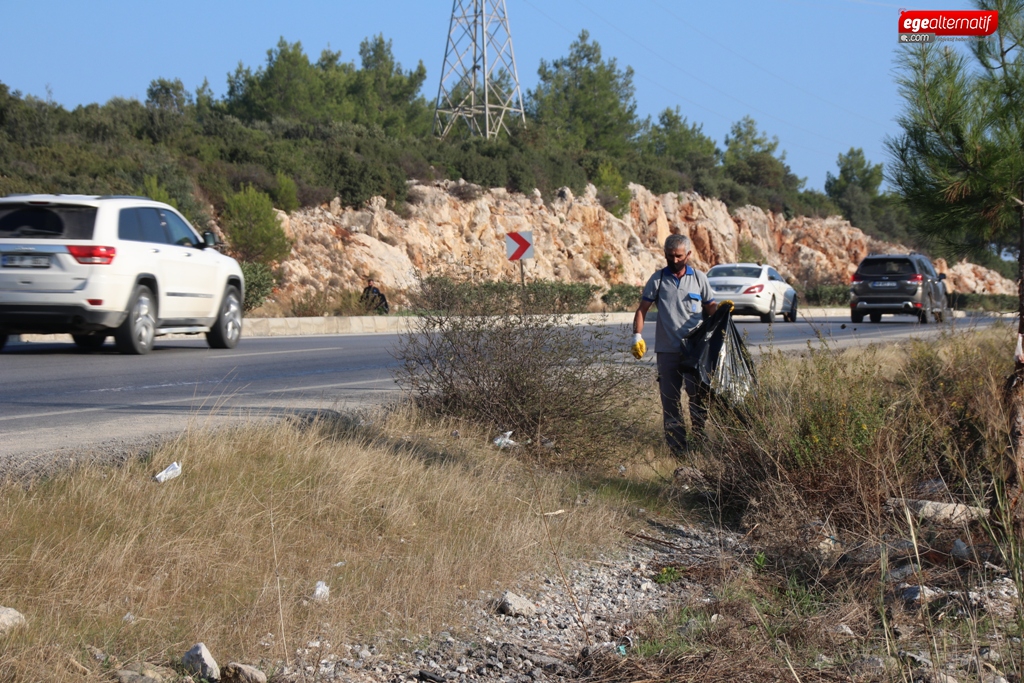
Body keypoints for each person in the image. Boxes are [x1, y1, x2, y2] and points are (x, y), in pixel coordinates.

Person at [631, 234, 718, 457]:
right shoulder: (658, 279)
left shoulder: (699, 279)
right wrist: (637, 336)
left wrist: (721, 332)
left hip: (694, 353)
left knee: (697, 397)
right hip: (667, 351)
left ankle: (698, 440)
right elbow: (642, 310)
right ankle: (677, 448)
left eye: (679, 256)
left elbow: (711, 309)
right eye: (670, 256)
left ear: (688, 255)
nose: (674, 260)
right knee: (670, 401)